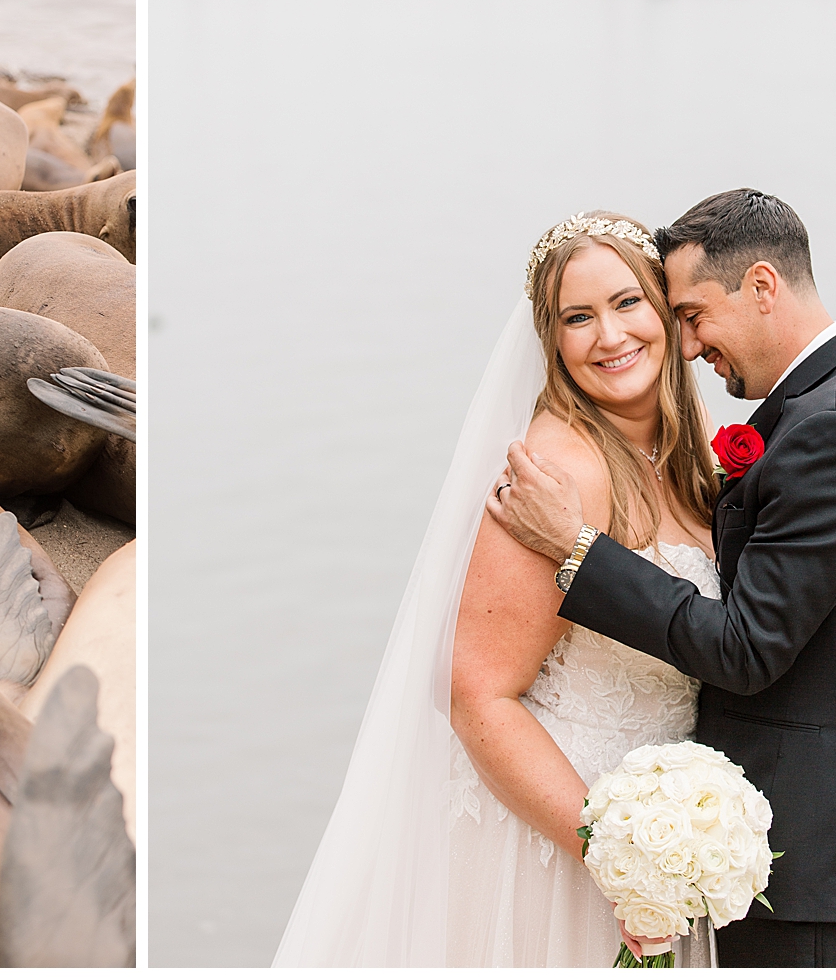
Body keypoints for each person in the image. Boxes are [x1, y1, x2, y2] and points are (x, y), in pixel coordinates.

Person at [488, 189, 836, 967]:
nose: (688, 345)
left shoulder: (835, 428)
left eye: (690, 314)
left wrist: (577, 547)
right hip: (760, 860)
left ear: (762, 286)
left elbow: (745, 648)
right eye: (577, 317)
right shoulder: (818, 408)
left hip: (818, 863)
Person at [275, 209, 727, 967]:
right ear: (550, 340)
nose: (609, 336)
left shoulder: (691, 445)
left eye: (626, 303)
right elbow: (475, 692)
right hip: (560, 845)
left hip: (671, 833)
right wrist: (613, 853)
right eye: (577, 317)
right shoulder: (556, 475)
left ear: (666, 308)